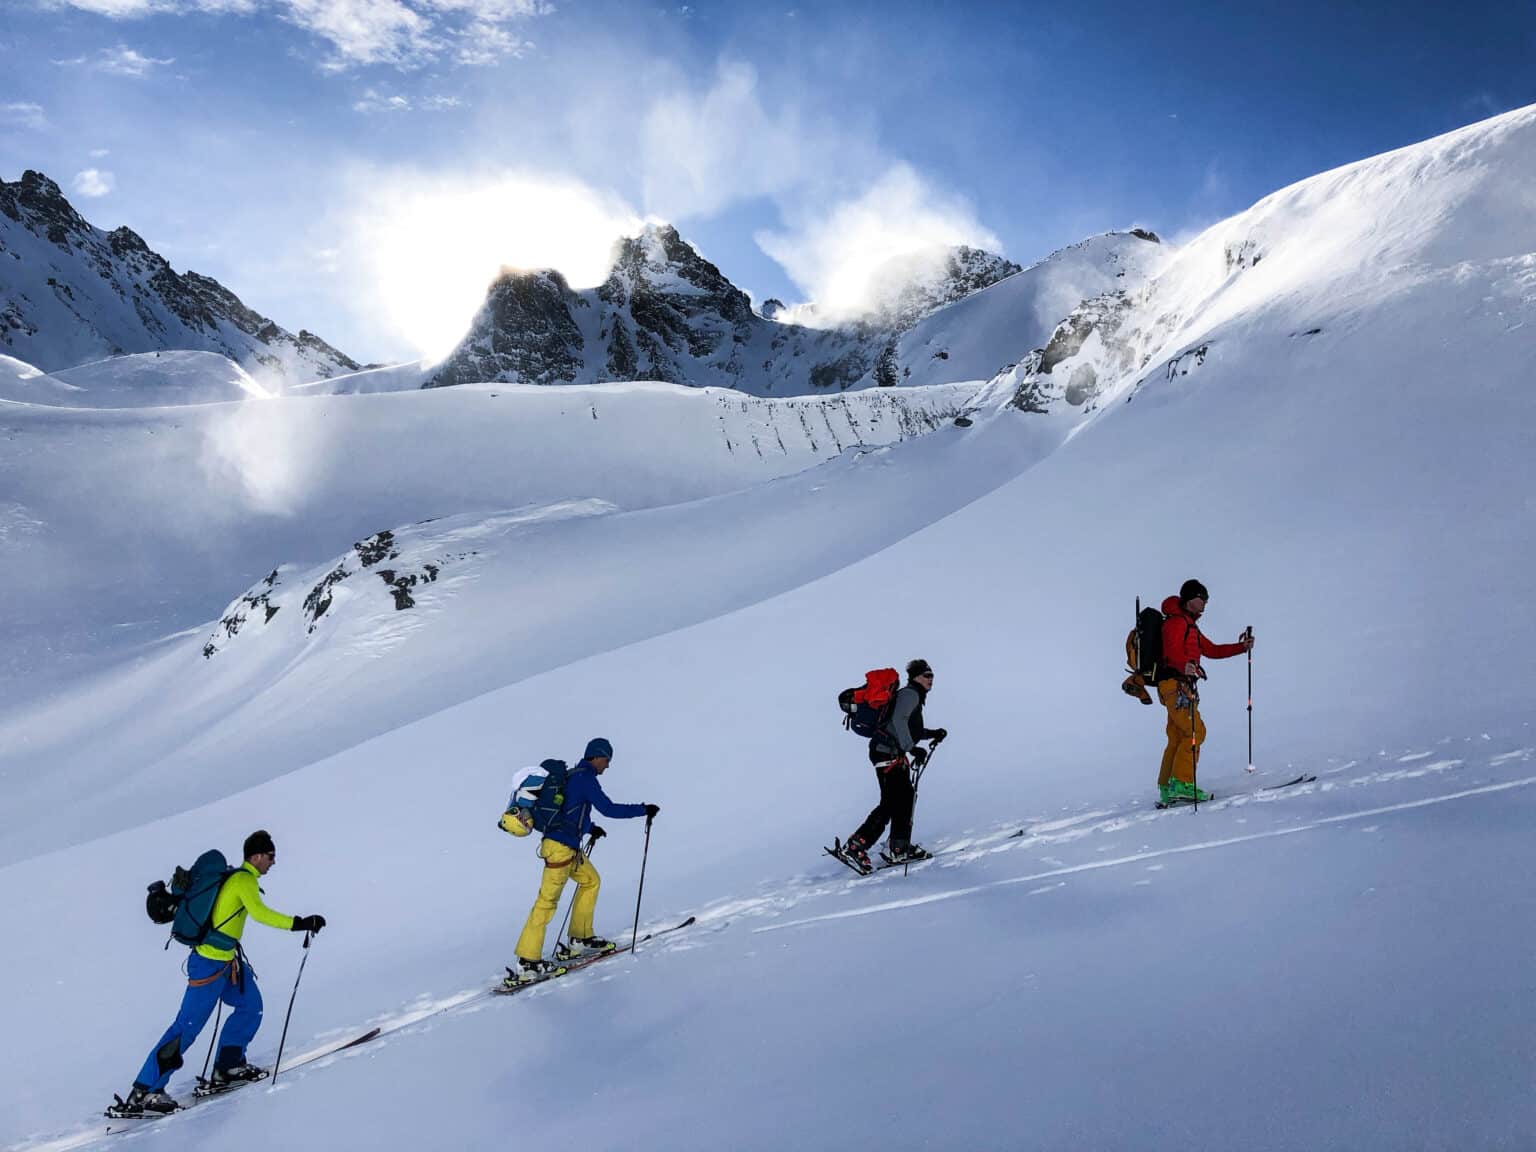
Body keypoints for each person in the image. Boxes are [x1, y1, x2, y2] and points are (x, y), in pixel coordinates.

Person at [119, 831, 326, 1115]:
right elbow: (260, 913)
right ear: (255, 856)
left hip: (227, 963)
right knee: (186, 1028)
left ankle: (228, 1067)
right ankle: (145, 1090)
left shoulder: (236, 878)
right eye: (270, 856)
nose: (273, 862)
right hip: (209, 965)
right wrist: (300, 923)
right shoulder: (243, 880)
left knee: (250, 1007)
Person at [510, 738, 659, 983]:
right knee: (546, 902)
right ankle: (528, 962)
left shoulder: (574, 776)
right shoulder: (585, 778)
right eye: (607, 760)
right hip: (560, 848)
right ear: (597, 756)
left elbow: (571, 811)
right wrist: (643, 809)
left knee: (591, 881)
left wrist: (590, 828)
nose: (607, 766)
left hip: (566, 846)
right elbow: (608, 808)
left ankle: (580, 938)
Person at [840, 659, 948, 871]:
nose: (931, 679)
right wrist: (911, 748)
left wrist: (931, 734)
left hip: (888, 752)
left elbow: (905, 727)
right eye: (927, 675)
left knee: (904, 798)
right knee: (892, 802)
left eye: (932, 676)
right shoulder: (910, 694)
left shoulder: (910, 695)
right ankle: (856, 846)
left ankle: (898, 847)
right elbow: (899, 721)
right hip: (887, 753)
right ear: (916, 677)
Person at [1156, 579, 1253, 804]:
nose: (1206, 603)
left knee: (1178, 736)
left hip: (1176, 686)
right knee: (1195, 732)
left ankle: (1167, 787)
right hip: (1176, 685)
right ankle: (1183, 784)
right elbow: (1171, 653)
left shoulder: (1189, 625)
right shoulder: (1176, 623)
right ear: (1191, 599)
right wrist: (1184, 666)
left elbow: (1211, 650)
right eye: (1203, 598)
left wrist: (1242, 647)